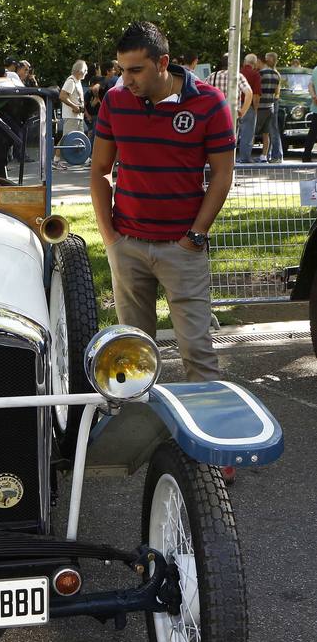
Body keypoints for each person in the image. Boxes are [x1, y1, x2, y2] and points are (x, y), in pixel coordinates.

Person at [91, 20, 235, 393]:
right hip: (128, 245)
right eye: (122, 70)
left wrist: (196, 235)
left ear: (162, 62)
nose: (126, 80)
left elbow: (222, 175)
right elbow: (100, 171)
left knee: (197, 353)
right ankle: (141, 437)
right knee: (132, 356)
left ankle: (206, 443)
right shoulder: (115, 100)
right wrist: (110, 238)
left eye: (135, 70)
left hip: (182, 248)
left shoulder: (208, 103)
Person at [255, 53, 281, 163]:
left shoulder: (259, 74)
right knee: (268, 132)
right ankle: (266, 155)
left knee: (253, 131)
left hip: (261, 106)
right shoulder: (276, 74)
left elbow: (257, 92)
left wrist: (255, 107)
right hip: (271, 105)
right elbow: (277, 93)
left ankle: (247, 157)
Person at [237, 53, 261, 163]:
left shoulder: (237, 73)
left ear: (245, 62)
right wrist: (255, 108)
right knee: (247, 133)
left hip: (235, 104)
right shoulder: (255, 74)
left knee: (233, 131)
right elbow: (256, 94)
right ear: (254, 63)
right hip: (248, 105)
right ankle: (245, 157)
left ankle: (231, 156)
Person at [264, 52, 284, 163]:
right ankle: (274, 154)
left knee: (273, 128)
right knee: (272, 128)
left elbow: (276, 92)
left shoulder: (273, 73)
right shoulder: (276, 73)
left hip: (273, 101)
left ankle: (277, 155)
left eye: (267, 58)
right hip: (274, 100)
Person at [59, 60, 86, 134]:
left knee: (79, 142)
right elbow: (62, 96)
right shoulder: (71, 81)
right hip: (71, 117)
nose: (86, 72)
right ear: (80, 71)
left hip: (77, 117)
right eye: (85, 70)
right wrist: (74, 106)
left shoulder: (77, 81)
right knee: (69, 142)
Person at [302, 61, 317, 163]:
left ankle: (306, 155)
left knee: (312, 132)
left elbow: (310, 85)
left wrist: (314, 97)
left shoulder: (316, 69)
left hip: (316, 105)